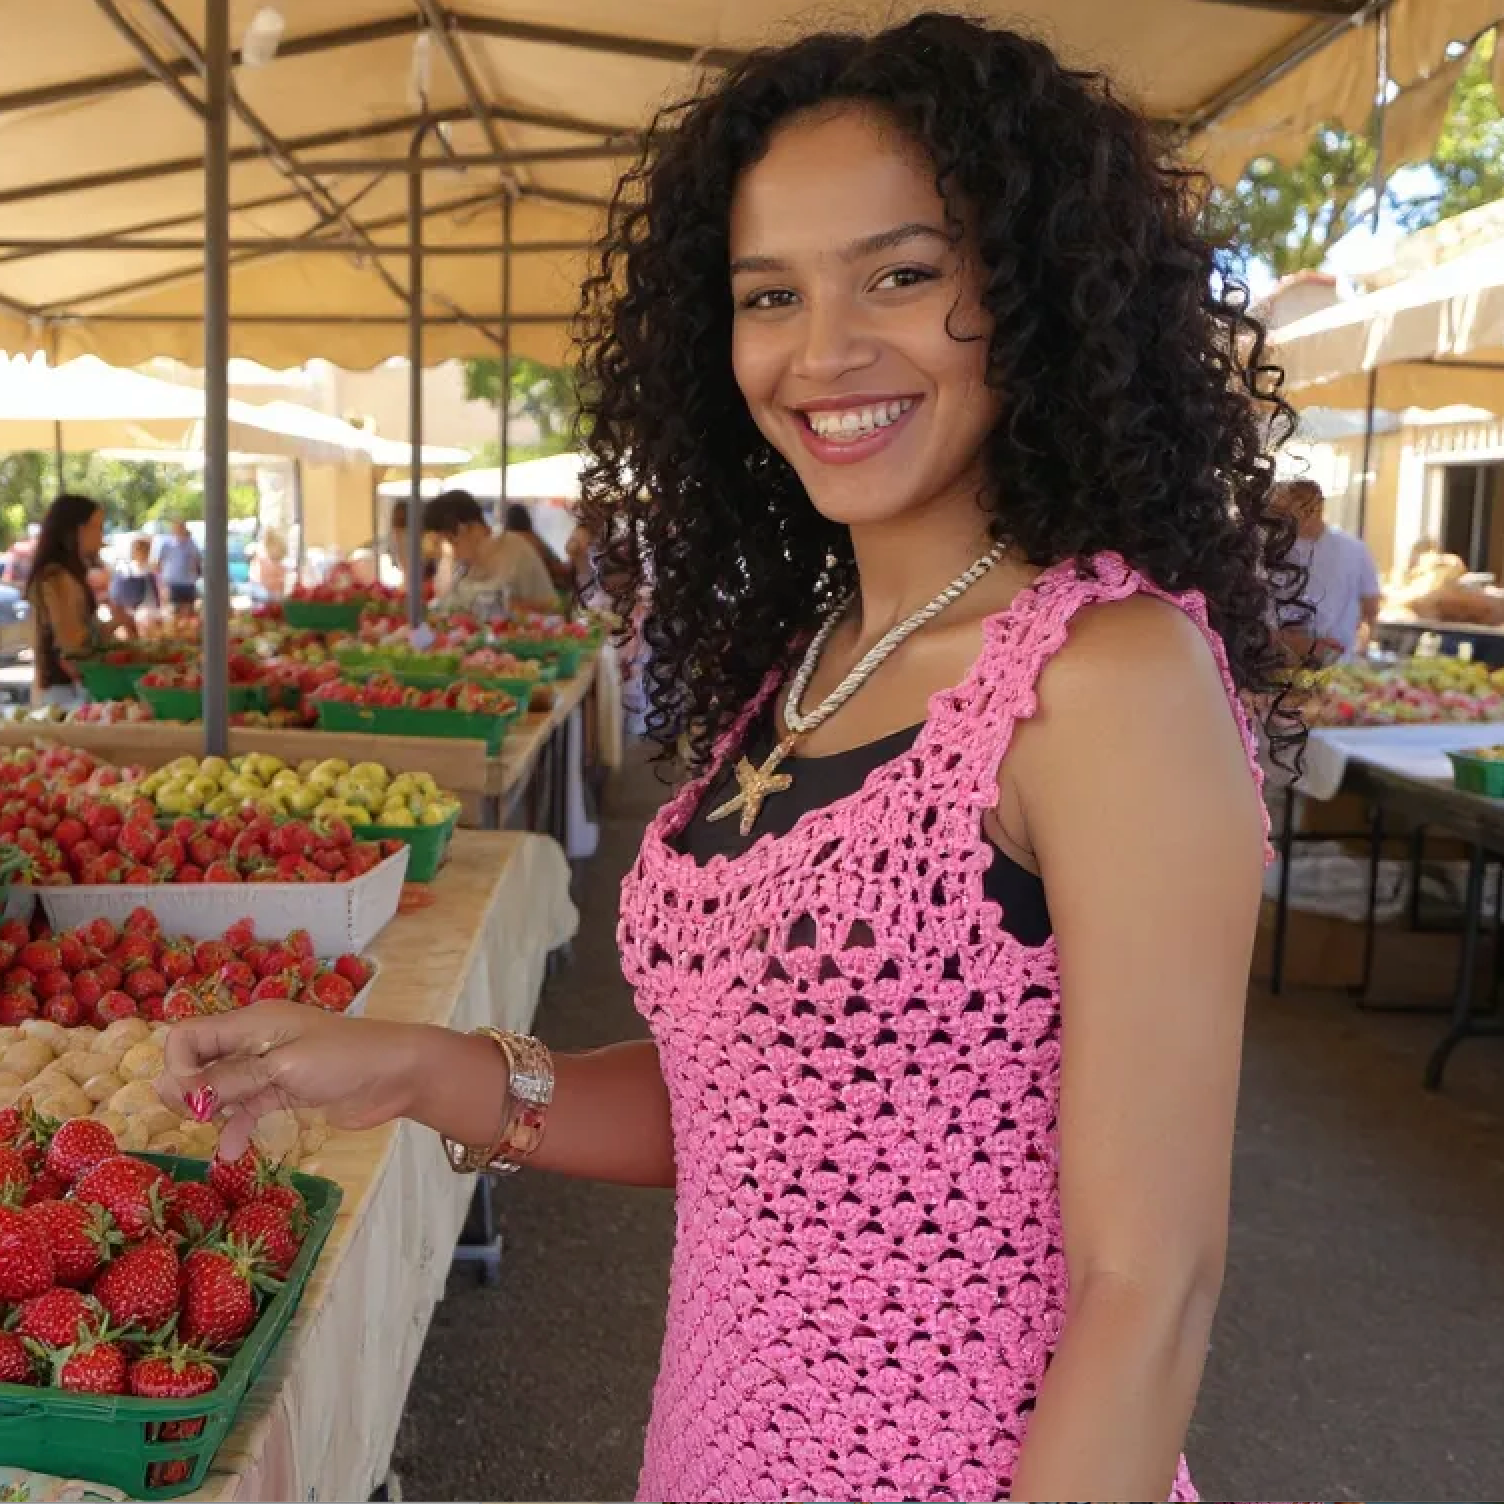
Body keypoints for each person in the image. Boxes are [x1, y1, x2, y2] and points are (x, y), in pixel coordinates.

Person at [161, 17, 1304, 1503]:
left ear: (1030, 296)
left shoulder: (1108, 681)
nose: (825, 350)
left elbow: (1151, 1291)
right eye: (772, 294)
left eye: (903, 273)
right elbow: (765, 1108)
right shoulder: (820, 660)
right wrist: (407, 1065)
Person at [27, 494, 130, 705]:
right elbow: (73, 642)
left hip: (68, 689)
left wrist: (115, 625)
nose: (102, 537)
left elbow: (78, 632)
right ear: (78, 530)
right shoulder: (56, 577)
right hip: (64, 692)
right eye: (98, 527)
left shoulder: (67, 573)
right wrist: (115, 626)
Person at [1272, 478, 1381, 662]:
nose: (1305, 514)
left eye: (1309, 507)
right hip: (1283, 661)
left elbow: (1371, 605)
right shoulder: (1273, 550)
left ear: (1321, 506)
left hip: (1339, 662)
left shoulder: (1354, 549)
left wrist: (1365, 647)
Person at [425, 489, 558, 614]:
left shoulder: (516, 550)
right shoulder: (460, 564)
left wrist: (511, 608)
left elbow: (552, 607)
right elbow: (444, 600)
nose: (449, 550)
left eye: (448, 541)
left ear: (463, 529)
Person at [505, 501, 575, 593]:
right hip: (542, 591)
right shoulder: (535, 540)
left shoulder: (505, 541)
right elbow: (556, 566)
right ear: (526, 519)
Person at [153, 518, 201, 616]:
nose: (179, 530)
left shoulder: (191, 543)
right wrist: (160, 584)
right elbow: (158, 564)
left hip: (188, 583)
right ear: (173, 530)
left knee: (188, 611)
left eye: (181, 527)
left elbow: (197, 561)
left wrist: (195, 575)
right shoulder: (166, 544)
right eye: (177, 528)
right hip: (171, 583)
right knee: (173, 611)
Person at [110, 536, 162, 618]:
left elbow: (155, 592)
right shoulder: (125, 568)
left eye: (147, 550)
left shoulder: (149, 569)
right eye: (142, 549)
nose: (145, 553)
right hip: (135, 611)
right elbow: (117, 594)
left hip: (150, 609)